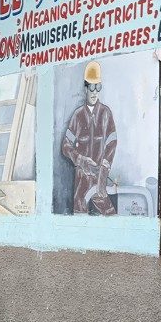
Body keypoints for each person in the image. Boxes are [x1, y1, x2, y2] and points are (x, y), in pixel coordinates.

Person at [61, 61, 117, 215]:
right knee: (80, 218)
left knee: (109, 218)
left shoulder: (106, 114)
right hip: (82, 180)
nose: (94, 92)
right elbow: (65, 146)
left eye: (97, 87)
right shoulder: (77, 116)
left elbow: (112, 143)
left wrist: (104, 170)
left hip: (99, 178)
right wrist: (80, 159)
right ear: (85, 88)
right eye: (91, 87)